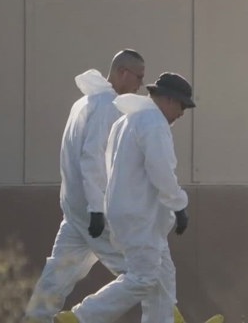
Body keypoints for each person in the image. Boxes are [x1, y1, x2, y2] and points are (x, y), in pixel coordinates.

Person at [56, 73, 196, 323]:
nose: (182, 113)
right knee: (143, 278)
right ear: (168, 99)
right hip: (140, 216)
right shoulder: (154, 123)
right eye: (182, 105)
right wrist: (180, 205)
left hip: (133, 215)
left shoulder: (128, 120)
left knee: (162, 279)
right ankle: (80, 317)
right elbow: (161, 171)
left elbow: (111, 165)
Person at [24, 49, 146, 322]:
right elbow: (92, 159)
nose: (140, 86)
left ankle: (35, 319)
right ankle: (81, 318)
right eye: (138, 77)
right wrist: (97, 209)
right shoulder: (107, 107)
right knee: (143, 272)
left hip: (76, 212)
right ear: (122, 72)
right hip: (95, 211)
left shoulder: (84, 103)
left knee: (56, 277)